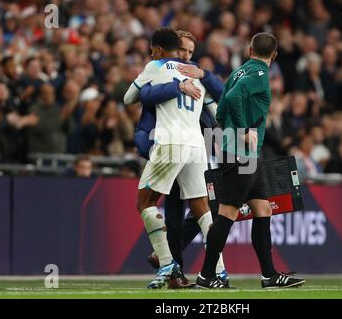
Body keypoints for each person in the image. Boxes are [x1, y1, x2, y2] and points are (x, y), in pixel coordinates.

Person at [197, 32, 306, 289]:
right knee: (227, 213)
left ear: (250, 50)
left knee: (263, 209)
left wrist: (231, 132)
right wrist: (244, 130)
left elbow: (221, 111)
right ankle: (206, 275)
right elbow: (233, 99)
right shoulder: (259, 74)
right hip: (241, 154)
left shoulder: (237, 73)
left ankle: (269, 275)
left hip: (242, 153)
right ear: (275, 55)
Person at [123, 28, 219, 289]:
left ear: (157, 49)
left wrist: (156, 87)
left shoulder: (156, 65)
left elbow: (128, 97)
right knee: (201, 208)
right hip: (197, 146)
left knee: (145, 202)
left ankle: (166, 263)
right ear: (180, 48)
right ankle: (217, 273)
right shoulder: (195, 73)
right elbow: (217, 110)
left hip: (171, 143)